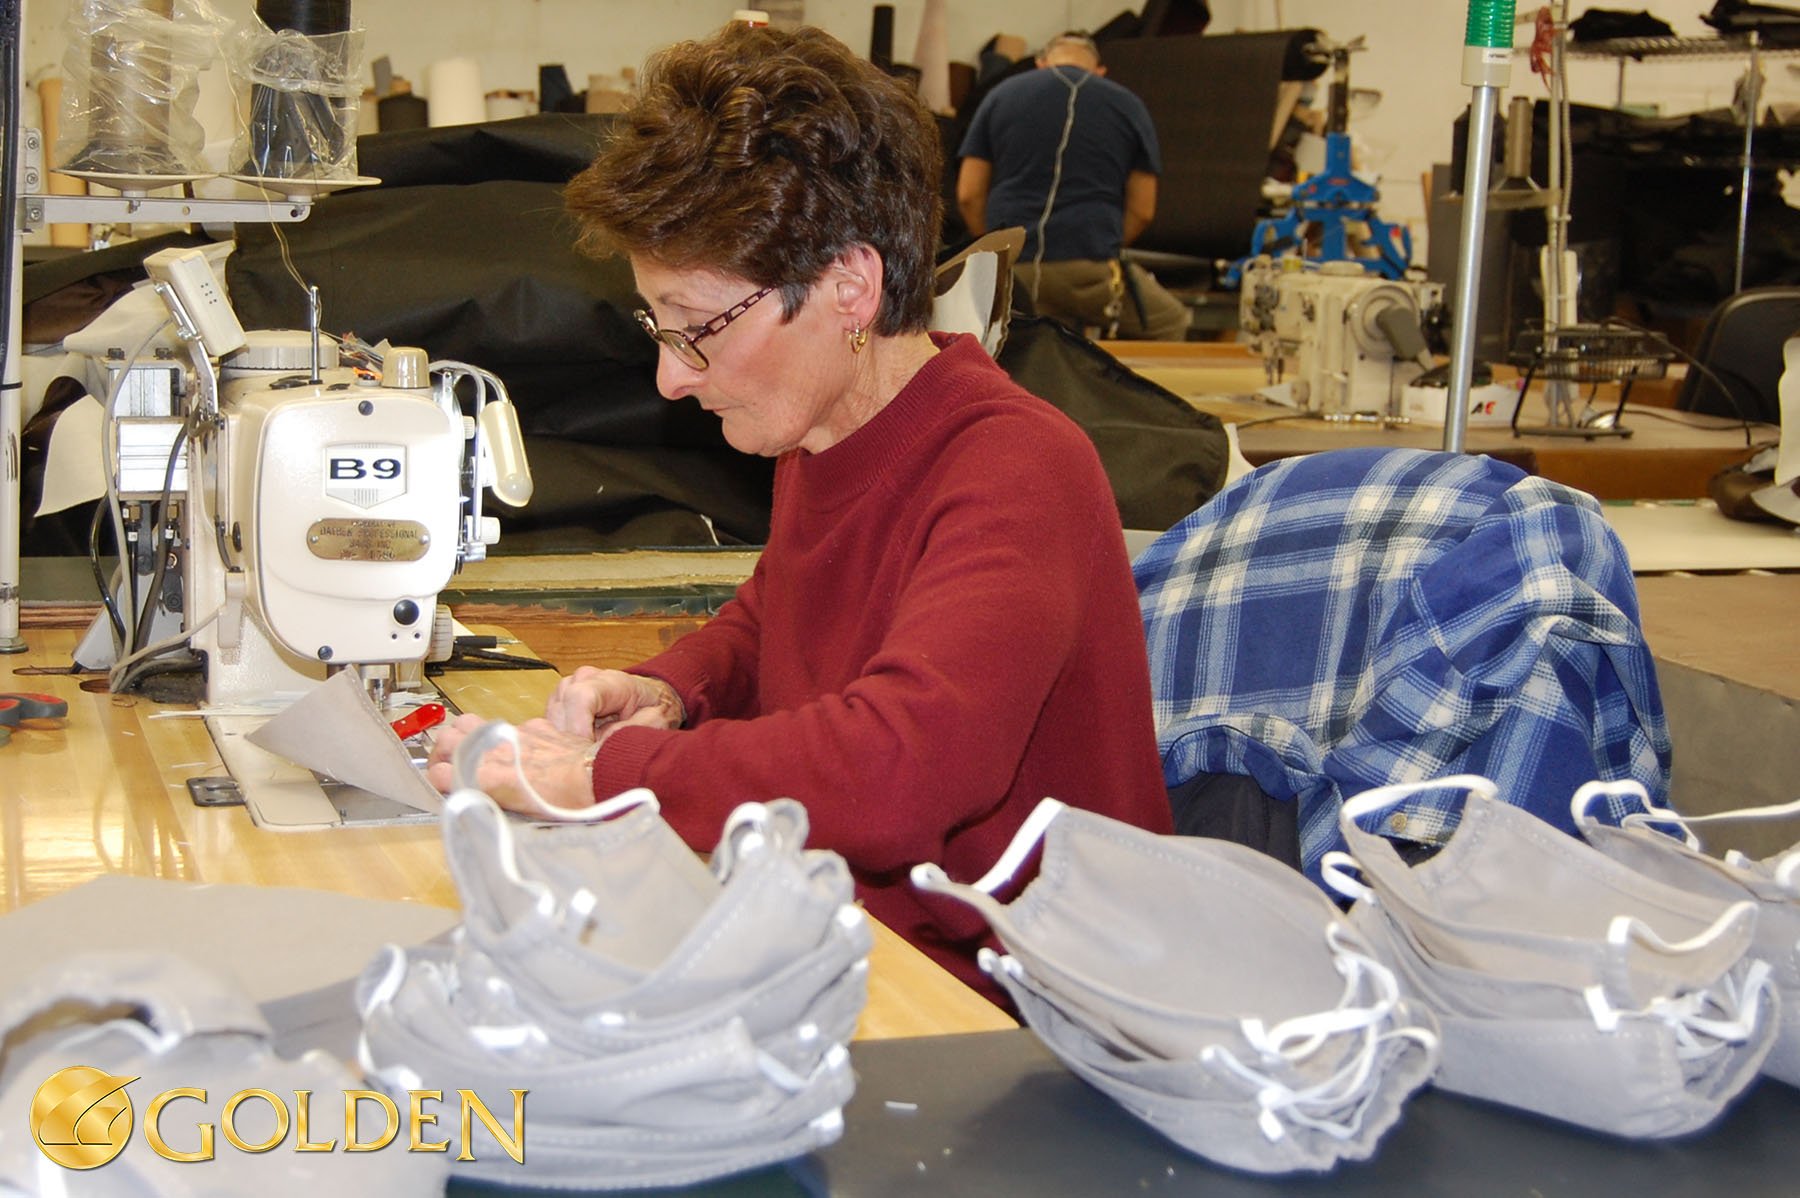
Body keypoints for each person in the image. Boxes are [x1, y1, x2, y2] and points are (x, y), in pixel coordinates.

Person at [426, 23, 1173, 1003]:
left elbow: (897, 771)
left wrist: (604, 774)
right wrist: (673, 693)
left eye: (696, 328)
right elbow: (778, 615)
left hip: (1017, 1009)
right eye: (659, 327)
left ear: (849, 287)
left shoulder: (1017, 469)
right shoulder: (821, 438)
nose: (669, 378)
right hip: (871, 950)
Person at [955, 31, 1191, 342]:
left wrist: (996, 255)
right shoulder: (1129, 105)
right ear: (1099, 71)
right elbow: (1143, 210)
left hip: (1013, 273)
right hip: (1089, 274)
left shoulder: (1000, 95)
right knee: (1169, 321)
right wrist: (1099, 247)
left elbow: (968, 195)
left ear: (1041, 63)